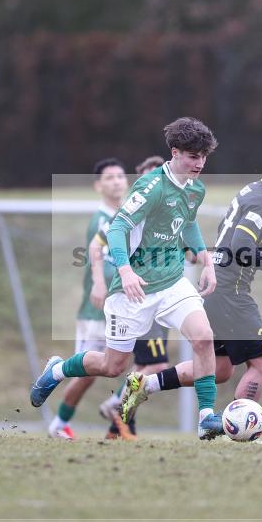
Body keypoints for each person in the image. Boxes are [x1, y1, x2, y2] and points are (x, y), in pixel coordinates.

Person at [30, 117, 226, 440]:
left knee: (203, 338)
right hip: (133, 289)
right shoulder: (150, 187)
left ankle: (206, 417)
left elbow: (188, 223)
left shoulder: (196, 189)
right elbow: (119, 229)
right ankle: (57, 369)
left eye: (204, 156)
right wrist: (125, 270)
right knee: (112, 366)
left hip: (173, 281)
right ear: (175, 152)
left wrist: (206, 260)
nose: (200, 163)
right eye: (193, 156)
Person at [119, 140, 262, 425]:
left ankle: (145, 385)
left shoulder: (256, 190)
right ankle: (238, 428)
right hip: (230, 293)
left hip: (217, 287)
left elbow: (234, 238)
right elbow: (240, 245)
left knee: (220, 368)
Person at [91, 156, 174, 440]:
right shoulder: (133, 212)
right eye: (150, 178)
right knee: (153, 365)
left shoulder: (168, 213)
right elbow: (96, 244)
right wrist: (100, 282)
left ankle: (120, 424)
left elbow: (188, 249)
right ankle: (118, 408)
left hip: (160, 298)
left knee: (140, 368)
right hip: (136, 298)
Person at [47, 158, 128, 440]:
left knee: (139, 360)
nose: (117, 181)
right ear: (98, 186)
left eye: (120, 176)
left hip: (123, 305)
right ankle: (58, 423)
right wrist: (99, 283)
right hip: (97, 309)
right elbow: (100, 258)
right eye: (109, 177)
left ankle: (118, 418)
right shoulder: (102, 219)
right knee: (88, 373)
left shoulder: (127, 216)